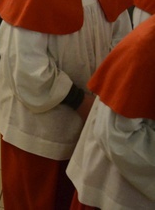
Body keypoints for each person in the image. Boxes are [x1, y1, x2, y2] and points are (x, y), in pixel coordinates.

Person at [0, 0, 133, 210]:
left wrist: (109, 94)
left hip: (94, 114)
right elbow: (26, 67)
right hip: (41, 126)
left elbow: (122, 38)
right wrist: (80, 102)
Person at [66, 14, 155, 210]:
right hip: (119, 191)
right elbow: (117, 132)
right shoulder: (149, 43)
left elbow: (118, 31)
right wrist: (75, 98)